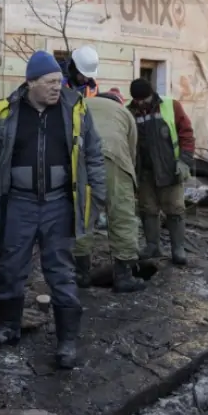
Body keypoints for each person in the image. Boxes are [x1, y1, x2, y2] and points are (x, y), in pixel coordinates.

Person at [0, 51, 106, 369]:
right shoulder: (3, 113)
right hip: (18, 204)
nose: (56, 87)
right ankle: (8, 327)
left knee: (61, 272)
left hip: (58, 204)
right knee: (10, 267)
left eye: (58, 81)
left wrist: (98, 195)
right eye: (49, 82)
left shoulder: (75, 109)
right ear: (31, 82)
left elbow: (93, 154)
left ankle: (66, 342)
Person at [72, 91, 146, 293]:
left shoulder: (79, 104)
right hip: (113, 156)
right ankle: (124, 277)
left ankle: (80, 274)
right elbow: (130, 150)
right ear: (117, 102)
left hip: (80, 157)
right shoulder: (124, 112)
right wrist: (128, 178)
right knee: (122, 215)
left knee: (81, 215)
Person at [127, 78, 196, 266]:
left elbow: (186, 134)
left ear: (152, 94)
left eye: (144, 99)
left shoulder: (171, 106)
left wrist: (184, 161)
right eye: (137, 100)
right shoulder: (129, 111)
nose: (141, 103)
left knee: (175, 209)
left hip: (169, 169)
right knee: (147, 209)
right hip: (144, 171)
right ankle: (152, 246)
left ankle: (178, 249)